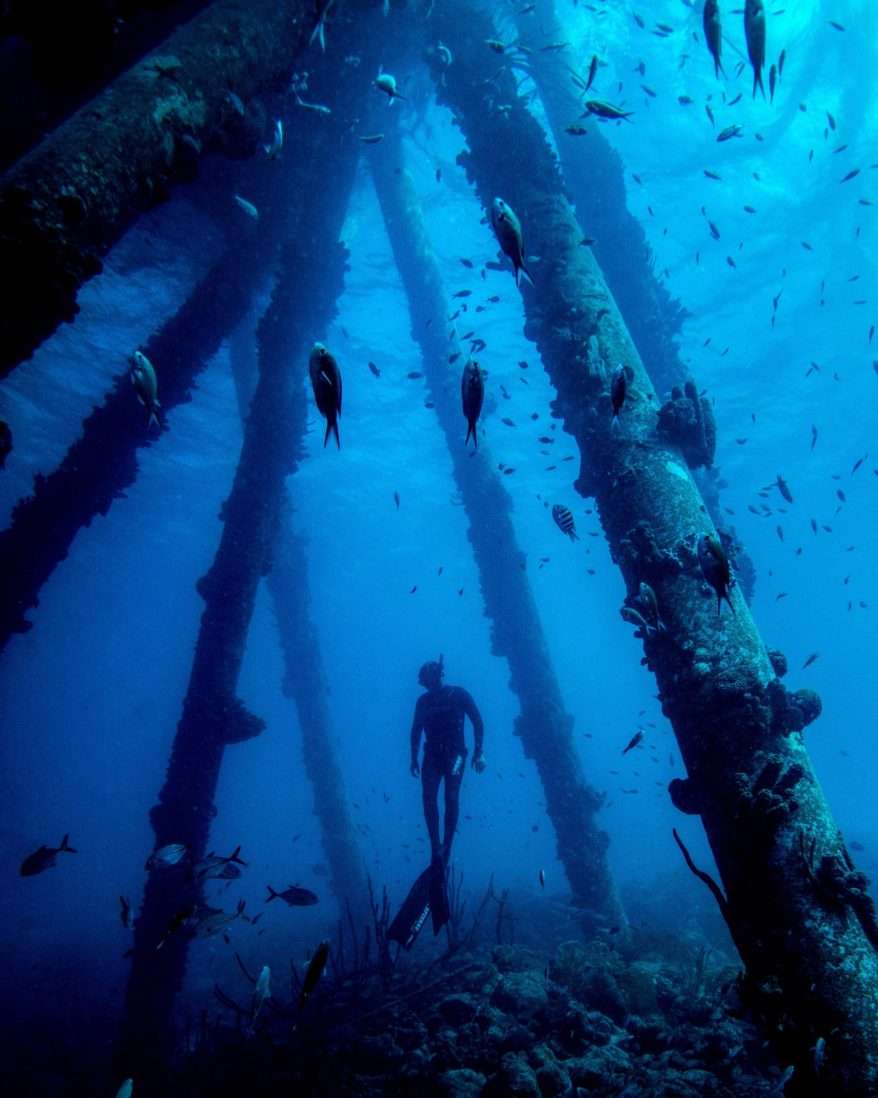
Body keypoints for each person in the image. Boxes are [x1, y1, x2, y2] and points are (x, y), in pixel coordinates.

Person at [409, 656, 485, 866]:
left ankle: (447, 847)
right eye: (425, 682)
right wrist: (413, 757)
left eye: (428, 680)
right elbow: (415, 730)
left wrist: (479, 751)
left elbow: (477, 721)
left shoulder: (458, 694)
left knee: (451, 798)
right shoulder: (423, 702)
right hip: (431, 757)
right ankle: (436, 847)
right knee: (428, 799)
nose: (428, 685)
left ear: (437, 676)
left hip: (456, 757)